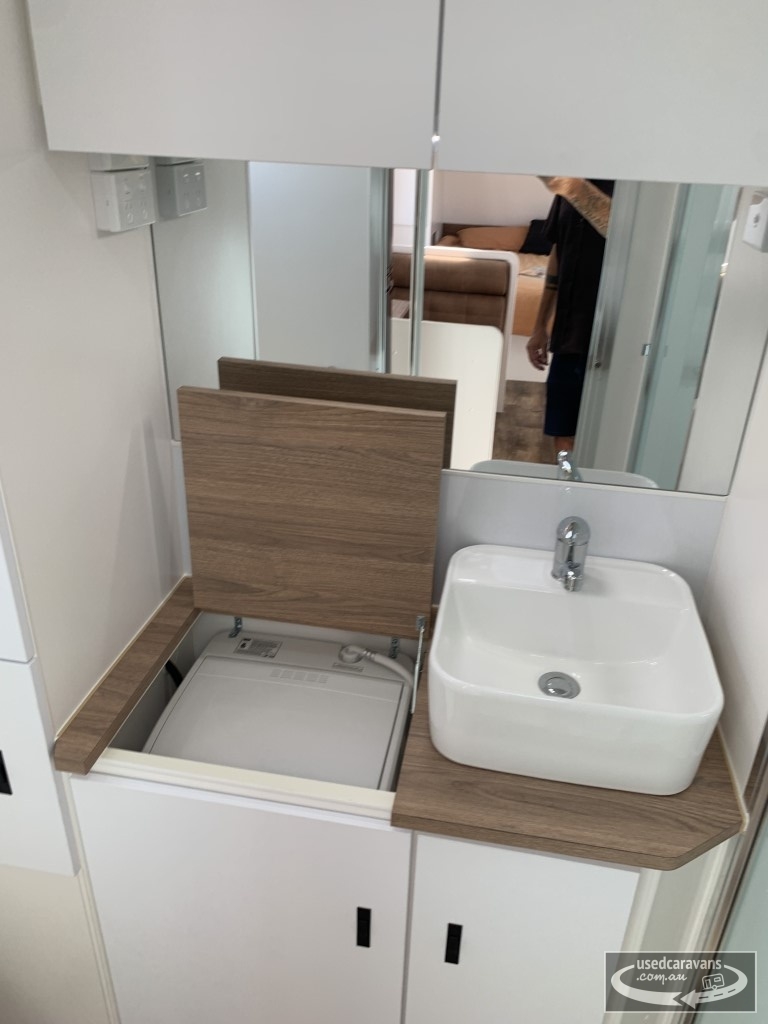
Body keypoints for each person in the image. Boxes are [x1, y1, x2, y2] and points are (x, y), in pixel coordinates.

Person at [526, 177, 614, 457]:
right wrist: (540, 325)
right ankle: (565, 479)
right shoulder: (566, 189)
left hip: (613, 339)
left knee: (606, 436)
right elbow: (557, 254)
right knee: (562, 435)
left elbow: (623, 234)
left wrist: (574, 188)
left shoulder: (635, 190)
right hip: (568, 335)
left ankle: (590, 483)